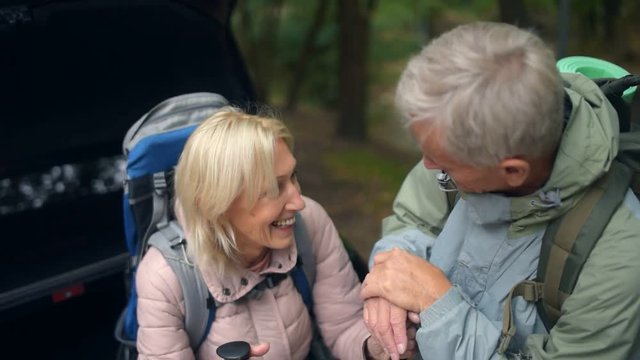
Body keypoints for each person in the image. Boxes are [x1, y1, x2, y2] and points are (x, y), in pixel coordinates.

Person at [360, 21, 640, 359]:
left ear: (512, 171)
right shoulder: (471, 133)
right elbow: (413, 219)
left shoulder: (618, 257)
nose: (428, 166)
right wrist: (389, 287)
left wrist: (438, 306)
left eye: (443, 163)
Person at [135, 107, 417, 359]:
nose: (299, 202)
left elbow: (344, 325)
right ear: (215, 205)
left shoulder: (310, 224)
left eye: (293, 176)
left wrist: (375, 349)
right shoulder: (165, 277)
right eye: (272, 189)